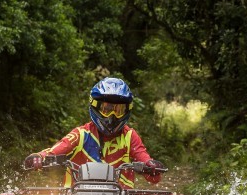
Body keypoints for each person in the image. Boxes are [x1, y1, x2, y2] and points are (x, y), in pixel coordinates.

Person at [24, 77, 165, 189]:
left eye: (118, 110)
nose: (112, 116)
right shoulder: (80, 134)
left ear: (127, 111)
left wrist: (151, 166)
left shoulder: (130, 136)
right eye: (107, 109)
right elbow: (54, 151)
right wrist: (39, 157)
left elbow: (150, 170)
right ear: (95, 107)